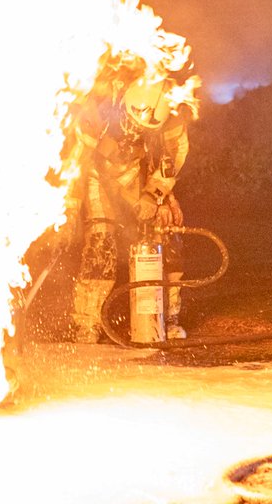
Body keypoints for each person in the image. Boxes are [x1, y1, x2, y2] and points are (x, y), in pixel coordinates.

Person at [70, 59, 193, 344]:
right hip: (98, 172)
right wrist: (71, 203)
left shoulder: (171, 108)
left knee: (166, 229)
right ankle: (88, 322)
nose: (134, 130)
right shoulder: (99, 96)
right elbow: (77, 155)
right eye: (130, 122)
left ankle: (168, 316)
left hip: (140, 173)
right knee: (102, 238)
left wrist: (155, 195)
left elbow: (171, 158)